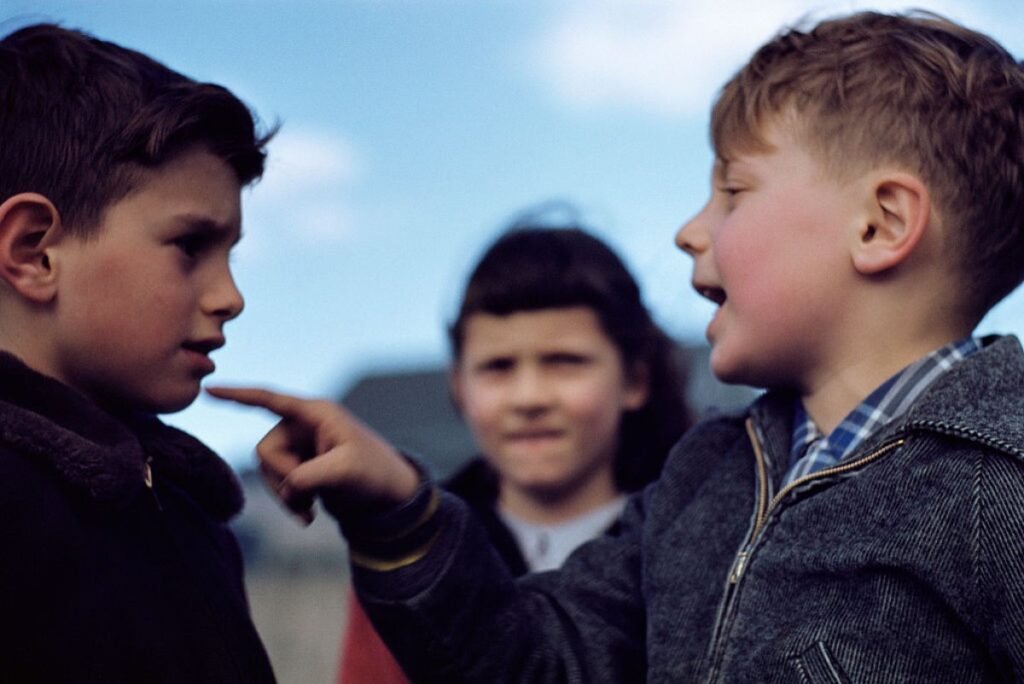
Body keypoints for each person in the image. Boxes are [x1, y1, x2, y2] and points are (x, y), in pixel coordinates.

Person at [212, 10, 1024, 681]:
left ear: (879, 224)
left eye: (733, 191)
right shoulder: (705, 479)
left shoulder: (1001, 486)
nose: (689, 231)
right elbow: (536, 664)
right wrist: (398, 512)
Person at [0, 23, 276, 682]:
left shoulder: (191, 511)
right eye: (190, 246)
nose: (231, 297)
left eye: (231, 255)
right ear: (34, 250)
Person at [337, 223, 692, 682]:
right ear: (458, 387)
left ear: (634, 380)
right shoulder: (408, 558)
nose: (528, 398)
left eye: (564, 362)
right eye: (498, 367)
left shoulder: (694, 541)